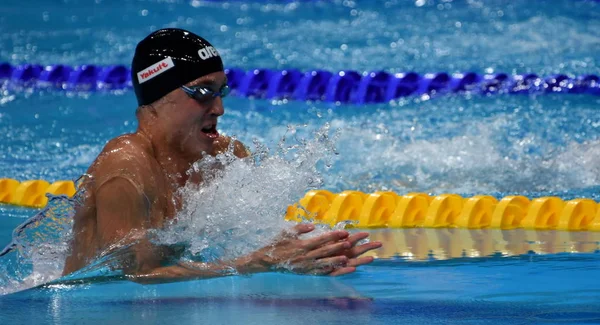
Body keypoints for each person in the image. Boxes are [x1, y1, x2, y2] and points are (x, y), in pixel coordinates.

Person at [62, 28, 381, 284]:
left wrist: (315, 252)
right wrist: (257, 263)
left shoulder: (223, 156)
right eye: (202, 92)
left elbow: (253, 240)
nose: (219, 109)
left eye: (221, 91)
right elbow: (133, 277)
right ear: (159, 96)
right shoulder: (126, 169)